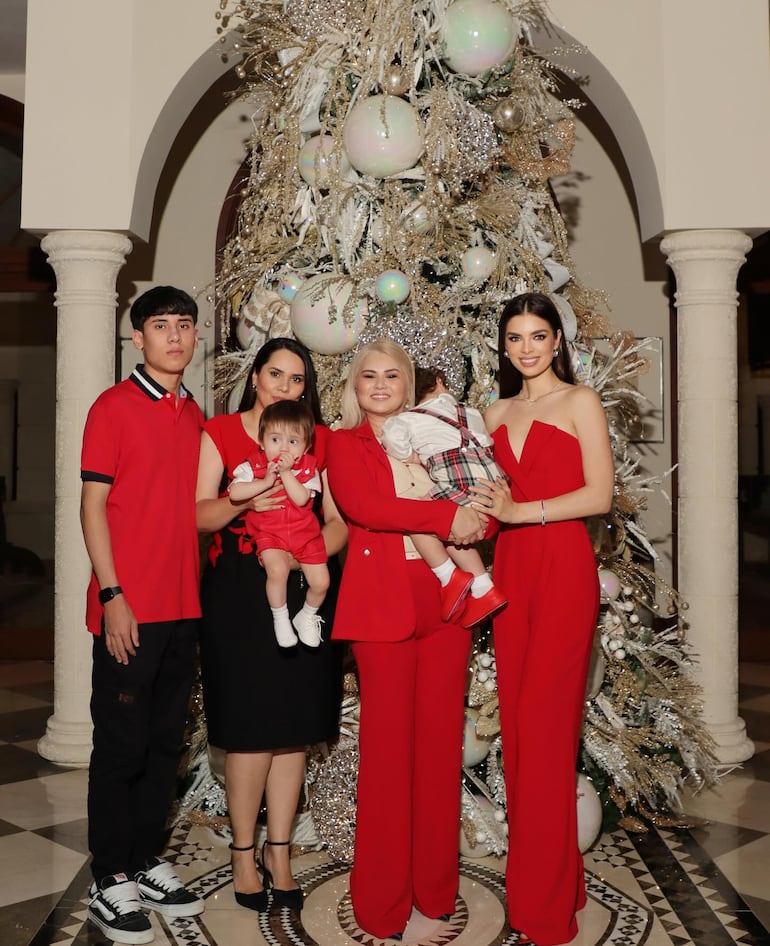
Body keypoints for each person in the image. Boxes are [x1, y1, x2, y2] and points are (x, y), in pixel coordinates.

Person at [326, 338, 486, 941]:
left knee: (440, 748)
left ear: (409, 381)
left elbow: (481, 496)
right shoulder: (343, 445)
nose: (381, 384)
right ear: (355, 385)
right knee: (389, 755)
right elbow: (368, 507)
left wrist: (473, 515)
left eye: (393, 374)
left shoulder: (443, 433)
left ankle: (436, 889)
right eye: (369, 375)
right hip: (382, 608)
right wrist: (446, 518)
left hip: (448, 602)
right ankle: (381, 902)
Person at [470, 291, 614, 946]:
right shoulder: (492, 411)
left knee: (550, 730)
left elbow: (600, 494)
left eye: (538, 336)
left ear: (557, 341)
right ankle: (551, 878)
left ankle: (546, 902)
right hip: (511, 575)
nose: (526, 349)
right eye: (515, 339)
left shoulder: (580, 403)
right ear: (504, 348)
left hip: (562, 567)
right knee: (521, 734)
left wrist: (522, 513)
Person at [196, 337, 345, 914]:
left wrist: (313, 556)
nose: (285, 386)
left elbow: (339, 522)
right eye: (275, 375)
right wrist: (245, 504)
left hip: (302, 584)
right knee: (250, 726)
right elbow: (197, 514)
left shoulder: (319, 440)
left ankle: (279, 853)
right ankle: (242, 852)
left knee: (293, 727)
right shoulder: (222, 432)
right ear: (255, 376)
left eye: (296, 379)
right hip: (237, 591)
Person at [80, 286, 205, 945]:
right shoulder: (113, 407)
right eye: (162, 326)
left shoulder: (192, 413)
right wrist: (111, 593)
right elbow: (92, 506)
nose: (176, 337)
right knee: (121, 744)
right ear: (139, 338)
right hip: (130, 607)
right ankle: (109, 875)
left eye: (185, 326)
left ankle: (145, 858)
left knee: (164, 744)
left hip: (183, 605)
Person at [380, 365, 507, 628]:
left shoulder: (408, 418)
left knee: (418, 515)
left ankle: (448, 575)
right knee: (446, 521)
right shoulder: (472, 414)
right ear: (440, 382)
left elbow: (392, 437)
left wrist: (410, 456)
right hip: (494, 496)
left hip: (460, 491)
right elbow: (487, 444)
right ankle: (484, 587)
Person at [228, 400, 330, 648]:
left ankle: (306, 615)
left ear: (305, 448)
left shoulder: (308, 469)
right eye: (275, 440)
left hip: (305, 535)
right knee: (277, 570)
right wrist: (263, 483)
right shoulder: (253, 465)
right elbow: (235, 493)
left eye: (293, 442)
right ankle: (280, 618)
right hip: (269, 533)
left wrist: (285, 474)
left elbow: (302, 498)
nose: (283, 448)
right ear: (262, 442)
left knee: (321, 582)